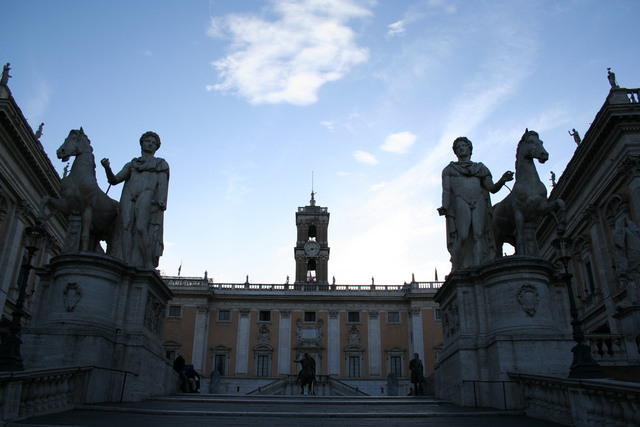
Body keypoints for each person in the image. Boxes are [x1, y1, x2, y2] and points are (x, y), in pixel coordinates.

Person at [438, 137, 513, 270]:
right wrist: (445, 206)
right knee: (463, 235)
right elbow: (447, 190)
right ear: (455, 152)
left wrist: (502, 180)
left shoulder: (480, 168)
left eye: (464, 146)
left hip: (479, 200)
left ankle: (479, 267)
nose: (461, 148)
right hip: (461, 200)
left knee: (479, 234)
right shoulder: (449, 170)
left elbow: (492, 188)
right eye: (458, 147)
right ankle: (457, 265)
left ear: (469, 149)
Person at [101, 131, 169, 268]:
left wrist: (161, 200)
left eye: (153, 143)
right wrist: (107, 167)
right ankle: (125, 263)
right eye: (147, 141)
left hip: (147, 194)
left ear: (156, 147)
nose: (149, 144)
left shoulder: (160, 164)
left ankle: (147, 261)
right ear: (141, 143)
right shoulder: (131, 165)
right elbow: (114, 180)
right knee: (125, 227)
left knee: (141, 227)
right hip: (128, 195)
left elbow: (162, 184)